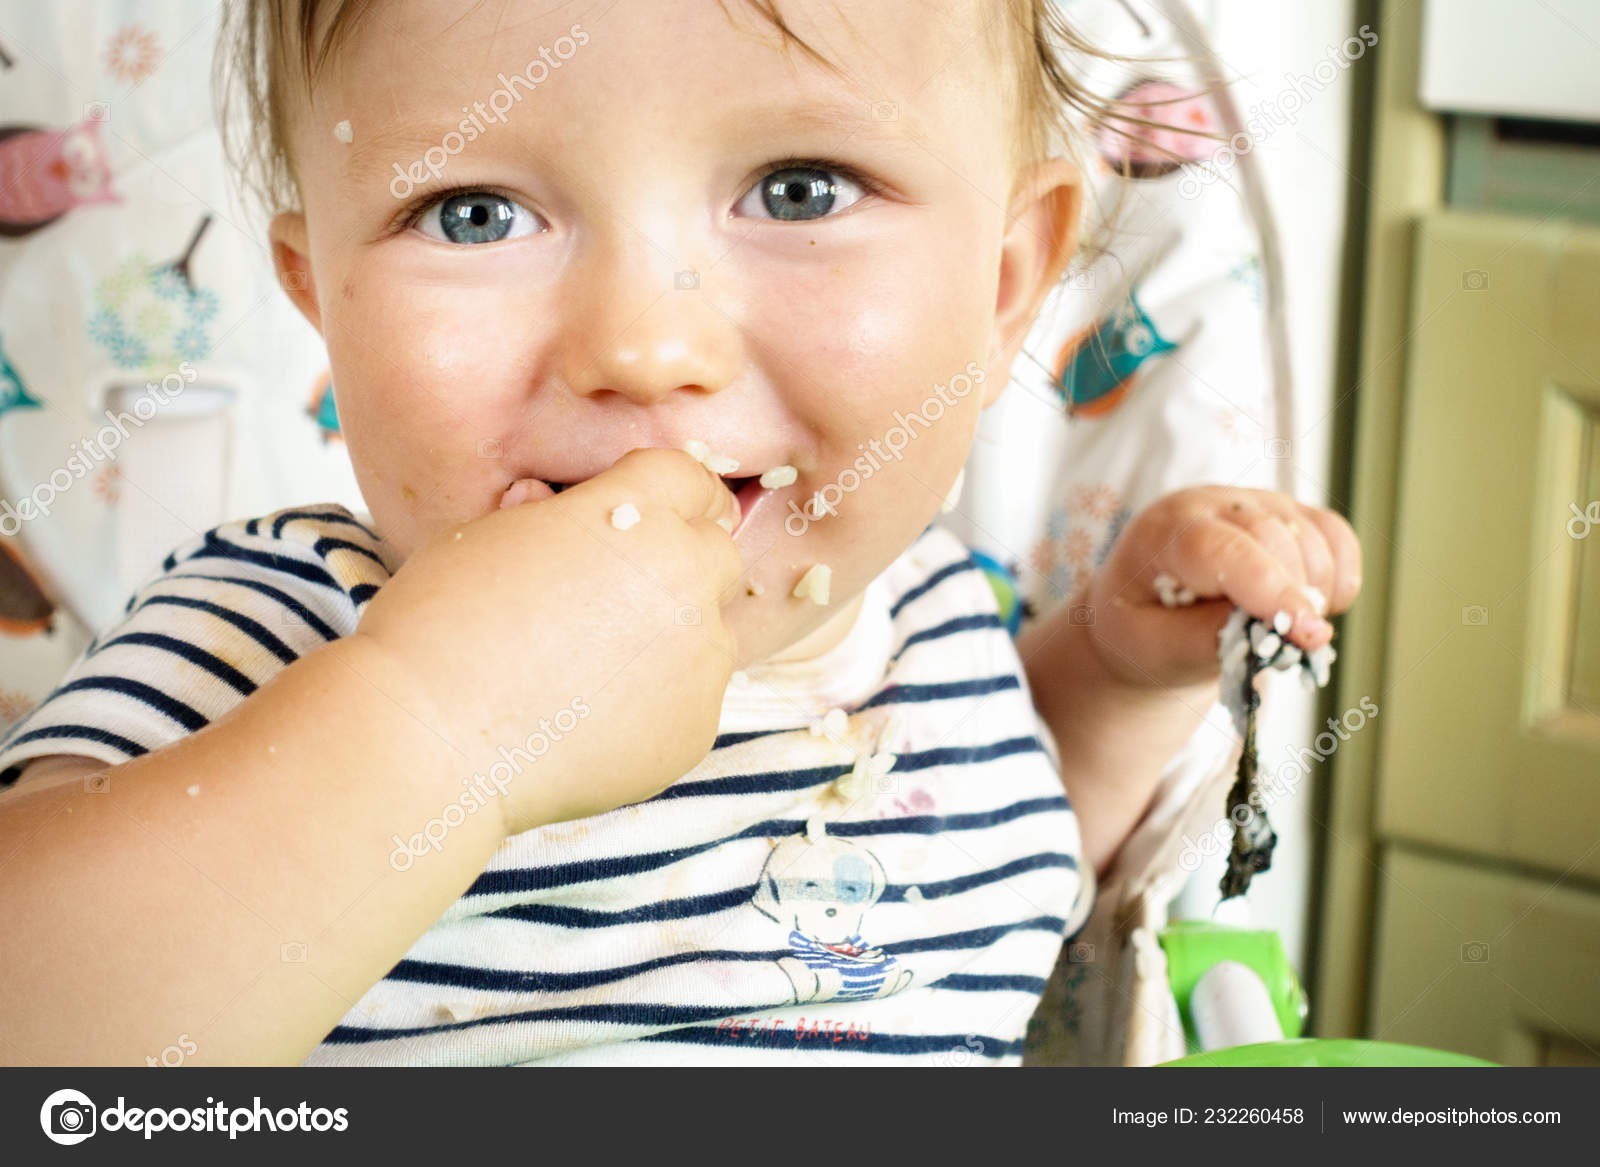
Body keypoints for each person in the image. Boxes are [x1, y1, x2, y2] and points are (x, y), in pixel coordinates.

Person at [0, 0, 1360, 1065]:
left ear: (1005, 285)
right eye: (476, 215)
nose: (644, 346)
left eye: (801, 190)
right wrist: (439, 724)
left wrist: (1111, 682)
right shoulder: (274, 632)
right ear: (323, 301)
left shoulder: (943, 628)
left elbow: (1005, 891)